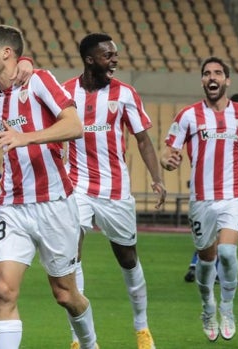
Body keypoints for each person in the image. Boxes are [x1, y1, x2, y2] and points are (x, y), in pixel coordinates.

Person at [0, 25, 99, 349]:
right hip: (12, 207)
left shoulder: (39, 80)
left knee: (65, 294)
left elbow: (75, 125)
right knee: (4, 290)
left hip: (55, 202)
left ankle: (89, 343)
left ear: (6, 53)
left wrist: (25, 137)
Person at [61, 32, 165, 349]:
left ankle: (141, 327)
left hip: (114, 189)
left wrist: (157, 178)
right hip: (76, 186)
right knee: (70, 257)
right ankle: (78, 338)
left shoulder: (125, 94)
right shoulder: (65, 92)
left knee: (128, 259)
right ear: (91, 59)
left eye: (115, 54)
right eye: (109, 55)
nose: (115, 60)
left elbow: (143, 139)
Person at [160, 56, 238, 341]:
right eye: (207, 73)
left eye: (218, 73)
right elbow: (168, 149)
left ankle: (228, 307)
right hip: (202, 199)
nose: (212, 77)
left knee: (228, 253)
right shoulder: (187, 115)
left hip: (235, 193)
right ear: (202, 80)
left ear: (227, 80)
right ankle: (208, 306)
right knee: (206, 260)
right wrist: (167, 161)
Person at [184, 93, 238, 283]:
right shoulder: (213, 129)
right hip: (210, 192)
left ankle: (201, 267)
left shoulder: (235, 141)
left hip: (226, 193)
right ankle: (204, 269)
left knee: (217, 236)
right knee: (214, 235)